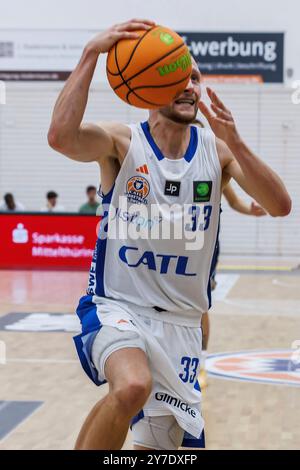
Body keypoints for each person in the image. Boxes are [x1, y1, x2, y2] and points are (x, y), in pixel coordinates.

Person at [47, 19, 291, 451]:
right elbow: (62, 138)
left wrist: (233, 136)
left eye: (193, 77)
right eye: (175, 75)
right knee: (130, 388)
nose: (187, 84)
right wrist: (90, 54)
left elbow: (280, 205)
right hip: (117, 306)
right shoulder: (123, 143)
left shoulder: (216, 151)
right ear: (146, 88)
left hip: (181, 324)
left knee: (162, 449)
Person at [199, 182, 267, 389]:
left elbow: (235, 201)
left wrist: (251, 210)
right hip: (168, 242)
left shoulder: (214, 161)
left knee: (200, 305)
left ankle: (201, 365)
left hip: (202, 246)